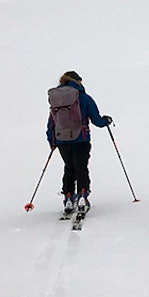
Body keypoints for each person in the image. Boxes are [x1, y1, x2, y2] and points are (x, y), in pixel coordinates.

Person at [46, 71, 112, 214]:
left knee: (69, 167)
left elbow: (51, 121)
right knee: (81, 167)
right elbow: (96, 119)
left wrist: (52, 140)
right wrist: (105, 121)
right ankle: (83, 196)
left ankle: (68, 198)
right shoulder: (83, 98)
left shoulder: (57, 100)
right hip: (81, 138)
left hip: (62, 139)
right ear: (78, 81)